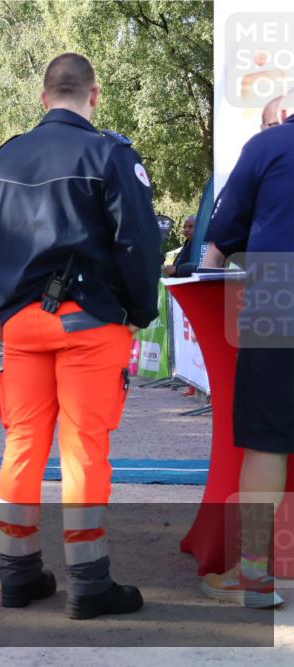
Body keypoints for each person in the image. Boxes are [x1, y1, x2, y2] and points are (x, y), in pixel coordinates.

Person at [0, 53, 161, 619]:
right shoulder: (110, 154)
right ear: (93, 95)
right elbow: (139, 244)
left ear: (43, 97)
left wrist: (13, 301)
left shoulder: (1, 159)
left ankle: (18, 573)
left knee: (22, 443)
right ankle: (88, 581)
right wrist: (137, 311)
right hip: (89, 322)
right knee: (84, 451)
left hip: (23, 326)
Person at [198, 93, 293, 609]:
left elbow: (218, 245)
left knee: (266, 439)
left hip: (280, 291)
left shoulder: (268, 145)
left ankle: (255, 575)